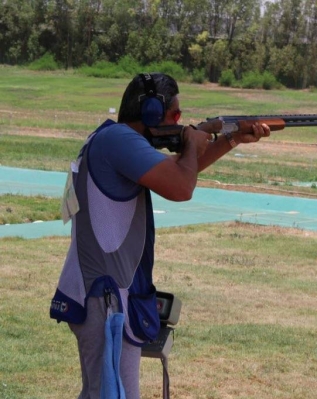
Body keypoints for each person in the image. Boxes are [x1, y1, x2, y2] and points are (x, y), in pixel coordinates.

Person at [49, 72, 270, 398]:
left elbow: (178, 174)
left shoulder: (116, 140)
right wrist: (195, 141)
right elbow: (181, 186)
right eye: (176, 115)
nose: (180, 122)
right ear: (152, 112)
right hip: (103, 296)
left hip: (107, 293)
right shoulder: (119, 142)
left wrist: (230, 139)